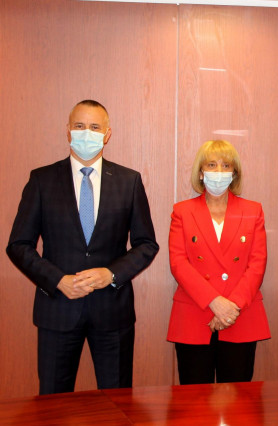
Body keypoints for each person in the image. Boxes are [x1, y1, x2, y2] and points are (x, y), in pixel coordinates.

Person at [6, 100, 159, 395]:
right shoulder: (41, 180)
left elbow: (146, 244)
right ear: (67, 131)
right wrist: (57, 280)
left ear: (107, 133)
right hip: (57, 309)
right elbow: (18, 245)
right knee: (52, 404)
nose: (86, 133)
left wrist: (111, 274)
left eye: (94, 127)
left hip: (112, 312)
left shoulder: (129, 181)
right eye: (79, 126)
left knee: (117, 404)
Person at [167, 140, 270, 384]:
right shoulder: (182, 211)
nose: (219, 172)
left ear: (234, 173)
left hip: (240, 315)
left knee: (239, 405)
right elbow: (178, 263)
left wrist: (230, 307)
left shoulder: (253, 210)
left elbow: (257, 264)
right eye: (211, 165)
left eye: (226, 166)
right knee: (194, 406)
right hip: (195, 314)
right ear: (201, 172)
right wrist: (215, 303)